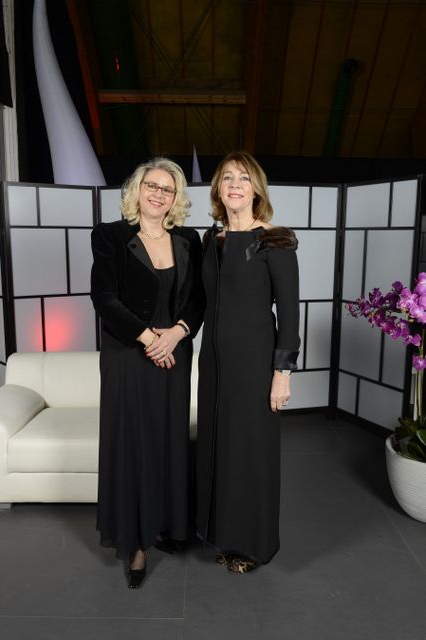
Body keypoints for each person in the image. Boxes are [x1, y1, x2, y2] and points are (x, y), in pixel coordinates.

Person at [90, 158, 204, 589]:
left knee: (168, 440)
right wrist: (146, 337)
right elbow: (104, 297)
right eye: (152, 186)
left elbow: (198, 299)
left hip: (174, 352)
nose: (158, 194)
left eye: (167, 189)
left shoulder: (189, 239)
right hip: (129, 354)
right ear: (137, 190)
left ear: (176, 198)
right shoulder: (110, 236)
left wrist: (176, 333)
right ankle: (136, 543)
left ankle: (164, 525)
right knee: (133, 444)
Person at [196, 151, 300, 574]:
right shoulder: (211, 241)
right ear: (218, 189)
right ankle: (226, 537)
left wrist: (282, 374)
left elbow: (289, 315)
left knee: (251, 452)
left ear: (256, 188)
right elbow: (200, 301)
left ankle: (254, 545)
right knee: (220, 449)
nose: (235, 184)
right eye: (227, 178)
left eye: (243, 177)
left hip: (256, 364)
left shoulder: (276, 240)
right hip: (213, 364)